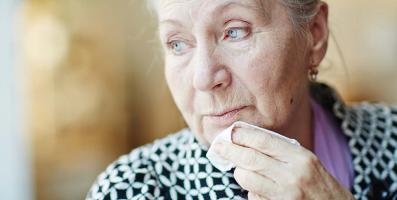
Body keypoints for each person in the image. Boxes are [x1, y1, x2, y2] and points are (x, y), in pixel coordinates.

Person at [86, 0, 397, 199]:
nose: (204, 78)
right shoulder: (130, 189)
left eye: (235, 32)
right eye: (177, 43)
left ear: (314, 33)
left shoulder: (392, 140)